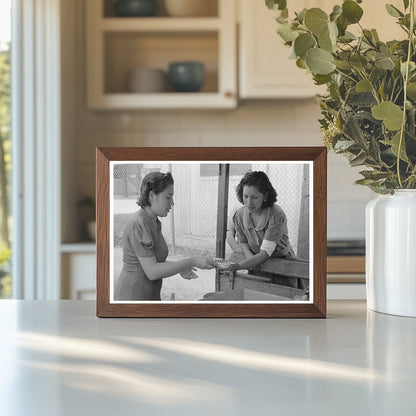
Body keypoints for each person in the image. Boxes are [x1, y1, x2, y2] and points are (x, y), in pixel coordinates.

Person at [115, 171, 215, 301]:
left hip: (149, 296)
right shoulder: (138, 223)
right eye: (168, 197)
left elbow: (154, 261)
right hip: (132, 297)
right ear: (152, 195)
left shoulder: (153, 222)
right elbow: (152, 271)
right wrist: (191, 261)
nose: (172, 203)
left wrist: (180, 267)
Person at [226, 171, 295, 272]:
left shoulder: (276, 215)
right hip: (255, 263)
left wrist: (239, 266)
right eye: (246, 196)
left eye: (254, 197)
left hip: (282, 264)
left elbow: (264, 253)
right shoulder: (240, 214)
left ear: (265, 196)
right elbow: (243, 242)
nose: (249, 202)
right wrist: (250, 259)